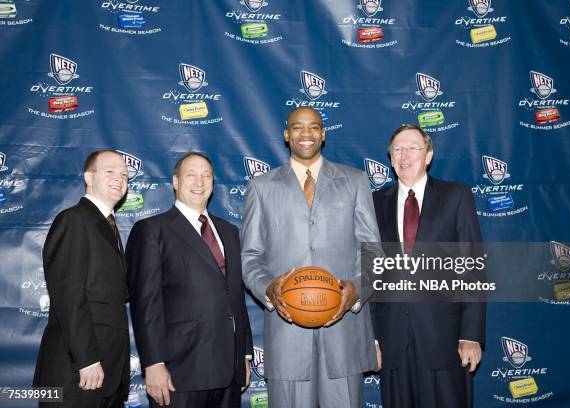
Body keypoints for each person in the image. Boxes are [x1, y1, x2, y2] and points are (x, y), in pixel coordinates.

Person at [241, 106, 380, 408]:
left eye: (314, 127)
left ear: (324, 134)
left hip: (344, 332)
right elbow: (250, 257)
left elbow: (374, 253)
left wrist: (356, 290)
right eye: (298, 127)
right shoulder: (261, 187)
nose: (307, 133)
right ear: (286, 134)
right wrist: (268, 287)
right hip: (286, 331)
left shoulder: (355, 181)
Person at [372, 124, 486, 408]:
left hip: (444, 340)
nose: (404, 155)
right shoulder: (374, 203)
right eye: (397, 149)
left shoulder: (456, 195)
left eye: (413, 147)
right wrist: (371, 339)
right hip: (392, 341)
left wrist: (470, 334)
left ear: (429, 155)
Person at [126, 152, 253, 408]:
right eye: (191, 175)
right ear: (175, 182)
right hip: (180, 372)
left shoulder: (229, 232)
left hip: (229, 370)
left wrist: (245, 355)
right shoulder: (152, 230)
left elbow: (235, 297)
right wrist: (154, 363)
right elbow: (145, 304)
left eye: (206, 175)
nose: (199, 181)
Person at [33, 149, 130, 407]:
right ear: (89, 177)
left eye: (124, 174)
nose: (119, 179)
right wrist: (86, 359)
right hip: (75, 376)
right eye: (109, 172)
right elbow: (68, 296)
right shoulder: (74, 220)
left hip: (106, 377)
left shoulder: (107, 224)